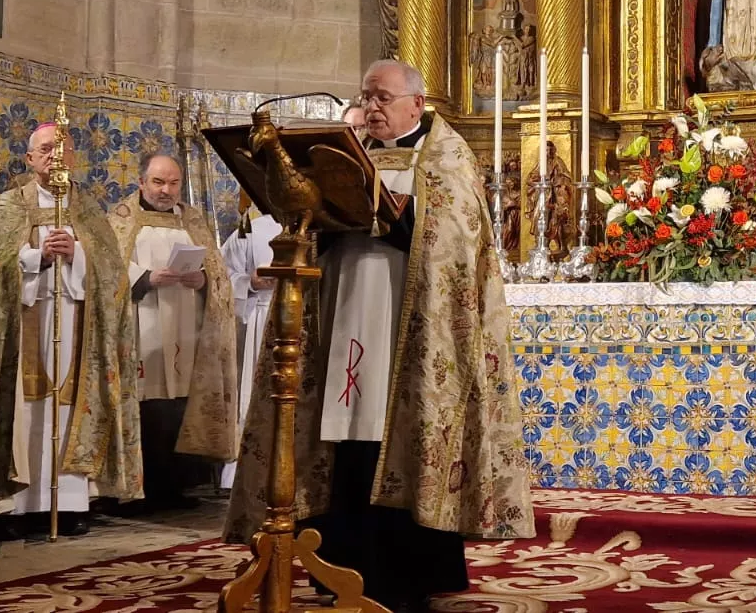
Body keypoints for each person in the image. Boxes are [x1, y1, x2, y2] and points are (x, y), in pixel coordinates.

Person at [225, 60, 534, 612]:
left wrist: (398, 216)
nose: (372, 107)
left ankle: (406, 571)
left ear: (416, 104)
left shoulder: (447, 158)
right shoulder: (340, 154)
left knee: (399, 433)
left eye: (384, 98)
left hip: (406, 328)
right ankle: (335, 564)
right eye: (366, 97)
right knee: (340, 435)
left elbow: (459, 239)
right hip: (339, 309)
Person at [0, 122, 142, 539]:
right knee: (24, 406)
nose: (57, 155)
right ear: (30, 158)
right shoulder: (8, 206)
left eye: (64, 148)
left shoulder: (87, 209)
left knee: (68, 406)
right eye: (48, 148)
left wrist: (78, 256)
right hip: (23, 325)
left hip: (75, 323)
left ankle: (67, 504)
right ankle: (13, 504)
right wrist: (36, 258)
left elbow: (113, 276)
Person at [109, 154, 239, 511]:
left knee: (179, 406)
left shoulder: (194, 221)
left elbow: (218, 274)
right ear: (141, 182)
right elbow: (105, 272)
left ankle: (177, 487)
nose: (166, 191)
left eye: (173, 183)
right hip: (141, 327)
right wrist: (145, 278)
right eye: (158, 183)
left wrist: (204, 280)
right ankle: (137, 491)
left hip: (187, 329)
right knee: (146, 406)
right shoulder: (120, 220)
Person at [217, 207, 281, 490]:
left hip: (314, 318)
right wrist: (251, 283)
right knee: (258, 397)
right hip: (264, 315)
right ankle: (245, 474)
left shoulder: (326, 226)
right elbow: (219, 274)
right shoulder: (252, 229)